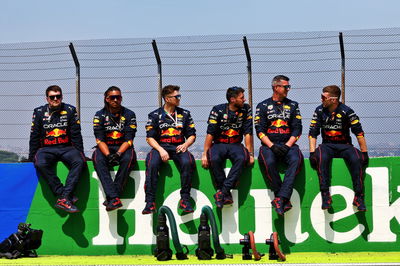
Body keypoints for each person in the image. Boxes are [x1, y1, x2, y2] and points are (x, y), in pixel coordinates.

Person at [309, 85, 369, 211]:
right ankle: (325, 196)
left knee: (357, 158)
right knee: (320, 157)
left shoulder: (347, 111)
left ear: (333, 99)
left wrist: (364, 153)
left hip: (345, 146)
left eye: (323, 97)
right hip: (327, 145)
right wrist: (312, 152)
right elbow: (313, 133)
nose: (321, 100)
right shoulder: (319, 110)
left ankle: (358, 197)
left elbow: (359, 132)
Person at [29, 85, 85, 213]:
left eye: (58, 96)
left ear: (62, 97)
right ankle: (65, 194)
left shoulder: (70, 110)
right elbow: (34, 135)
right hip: (46, 149)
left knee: (79, 162)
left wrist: (80, 153)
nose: (55, 99)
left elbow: (76, 134)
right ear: (47, 98)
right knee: (40, 163)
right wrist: (31, 156)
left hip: (66, 147)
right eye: (52, 97)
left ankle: (64, 198)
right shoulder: (38, 112)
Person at [143, 85, 196, 214]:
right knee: (152, 162)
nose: (179, 98)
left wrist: (185, 145)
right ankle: (150, 202)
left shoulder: (185, 114)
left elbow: (192, 135)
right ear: (167, 98)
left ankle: (185, 200)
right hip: (160, 147)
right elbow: (150, 138)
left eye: (179, 96)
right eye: (176, 96)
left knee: (188, 161)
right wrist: (161, 150)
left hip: (178, 146)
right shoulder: (155, 115)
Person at [254, 75, 303, 216]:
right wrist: (272, 146)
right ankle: (282, 198)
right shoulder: (262, 106)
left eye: (288, 86)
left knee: (296, 160)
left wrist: (288, 145)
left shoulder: (293, 105)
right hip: (269, 145)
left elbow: (297, 128)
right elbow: (259, 130)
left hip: (289, 144)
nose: (288, 89)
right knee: (268, 161)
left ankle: (280, 199)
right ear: (276, 87)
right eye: (286, 86)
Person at [201, 86, 254, 209]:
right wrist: (204, 153)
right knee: (213, 159)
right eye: (241, 98)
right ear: (232, 99)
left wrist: (250, 154)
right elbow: (210, 133)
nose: (244, 100)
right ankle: (226, 193)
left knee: (242, 158)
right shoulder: (217, 110)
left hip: (236, 144)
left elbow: (248, 133)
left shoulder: (246, 109)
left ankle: (222, 192)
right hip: (219, 143)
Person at [92, 86, 137, 211]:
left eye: (118, 97)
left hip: (123, 147)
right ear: (107, 99)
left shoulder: (129, 114)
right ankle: (114, 197)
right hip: (105, 147)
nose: (116, 100)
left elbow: (129, 140)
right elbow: (99, 139)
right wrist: (108, 155)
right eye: (112, 97)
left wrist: (117, 154)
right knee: (96, 157)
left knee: (130, 157)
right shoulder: (99, 115)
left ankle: (112, 197)